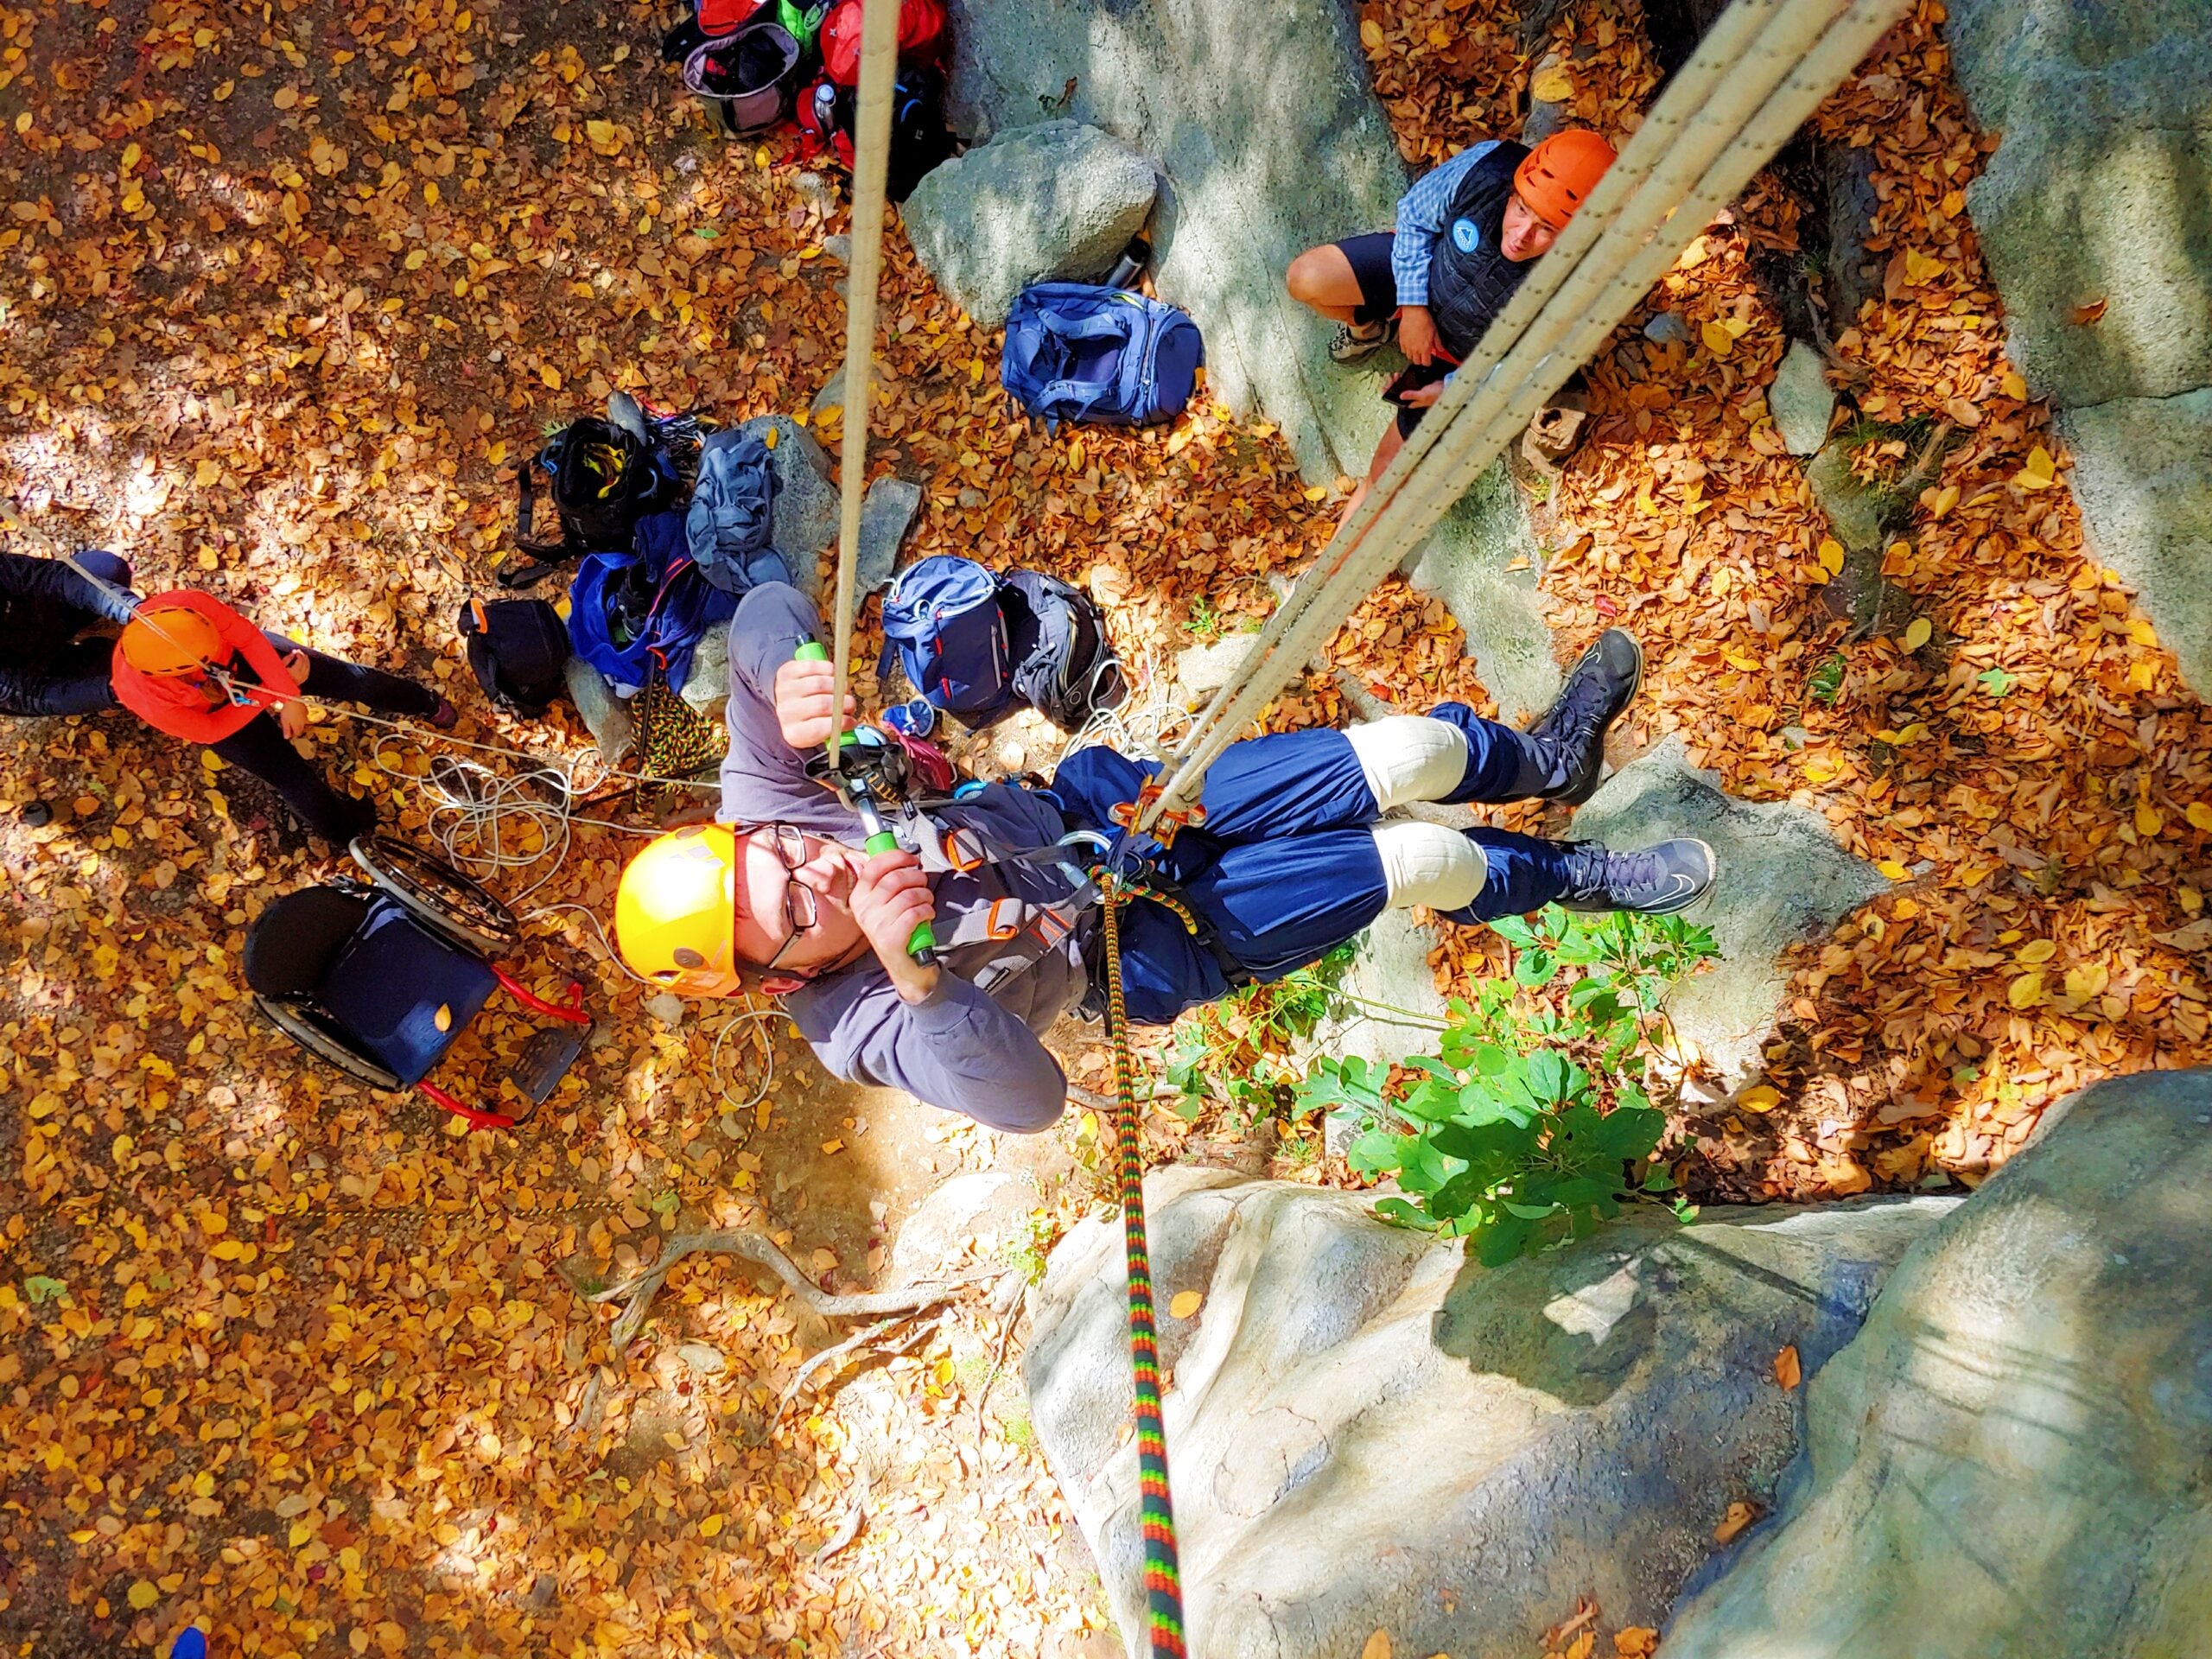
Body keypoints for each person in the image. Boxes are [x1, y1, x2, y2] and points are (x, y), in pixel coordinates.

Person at [611, 582, 1713, 1135]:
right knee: (1419, 862)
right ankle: (1567, 881)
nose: (820, 875)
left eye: (790, 859)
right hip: (1128, 947)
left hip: (1094, 812)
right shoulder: (856, 1029)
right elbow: (1029, 1103)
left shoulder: (770, 804)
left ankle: (1545, 765)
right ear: (783, 977)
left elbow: (764, 612)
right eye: (797, 914)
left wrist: (790, 673)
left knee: (1411, 749)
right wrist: (916, 979)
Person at [1286, 128, 1618, 518]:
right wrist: (1413, 307)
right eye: (1522, 209)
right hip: (1424, 283)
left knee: (1385, 477)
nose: (1521, 235)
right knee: (1306, 278)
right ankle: (1374, 329)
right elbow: (1415, 215)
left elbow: (1535, 365)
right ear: (1514, 186)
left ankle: (1324, 573)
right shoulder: (1487, 168)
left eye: (1547, 229)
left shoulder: (1587, 280)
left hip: (1468, 358)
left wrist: (1453, 391)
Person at [109, 588, 456, 847]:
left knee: (345, 678)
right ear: (187, 668)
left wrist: (287, 693)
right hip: (219, 714)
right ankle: (348, 836)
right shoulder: (142, 695)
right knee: (291, 777)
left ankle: (425, 703)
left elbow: (245, 638)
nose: (217, 638)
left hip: (247, 662)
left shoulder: (181, 609)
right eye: (209, 646)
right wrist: (277, 694)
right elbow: (213, 730)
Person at [0, 549, 139, 716]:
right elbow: (34, 696)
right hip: (37, 671)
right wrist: (111, 691)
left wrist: (130, 608)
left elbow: (46, 576)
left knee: (107, 568)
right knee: (135, 677)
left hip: (47, 613)